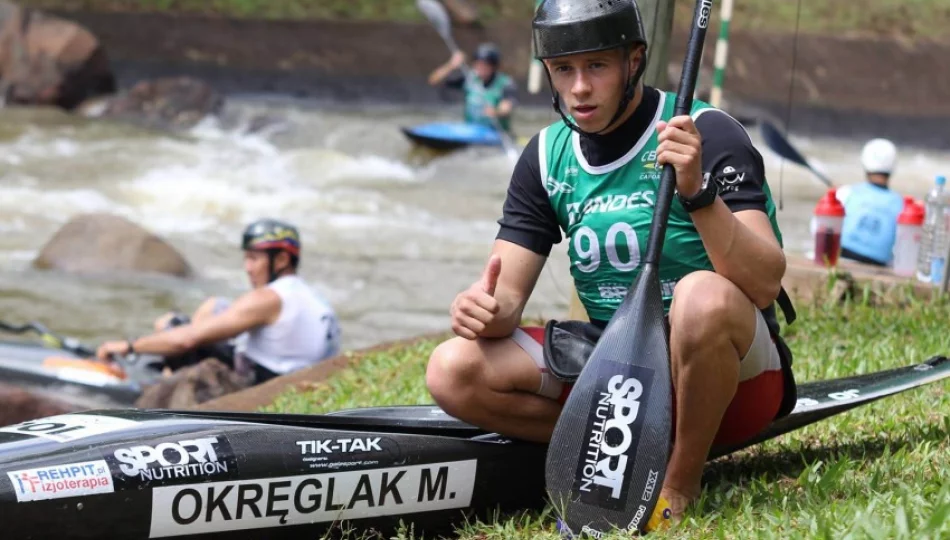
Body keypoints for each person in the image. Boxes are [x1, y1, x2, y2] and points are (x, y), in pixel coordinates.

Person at [424, 0, 798, 525]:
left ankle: (679, 481)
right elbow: (504, 296)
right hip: (622, 372)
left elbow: (763, 284)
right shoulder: (546, 156)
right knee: (452, 369)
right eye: (563, 70)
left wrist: (698, 193)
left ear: (634, 60)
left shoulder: (706, 131)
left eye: (596, 66)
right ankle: (607, 450)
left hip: (738, 378)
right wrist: (481, 309)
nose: (579, 88)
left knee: (699, 295)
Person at [96, 218, 342, 384]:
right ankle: (163, 369)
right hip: (292, 374)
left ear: (280, 261)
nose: (247, 268)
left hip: (265, 382)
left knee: (173, 326)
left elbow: (187, 340)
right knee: (214, 306)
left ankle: (161, 381)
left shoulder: (269, 298)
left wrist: (128, 346)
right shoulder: (313, 297)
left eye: (254, 259)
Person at [837, 138, 905, 266]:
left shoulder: (846, 192)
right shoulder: (901, 204)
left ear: (864, 163)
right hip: (879, 264)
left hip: (843, 256)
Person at [428, 42, 518, 134]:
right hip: (471, 131)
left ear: (494, 66)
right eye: (478, 64)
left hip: (495, 133)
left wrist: (495, 111)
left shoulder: (505, 83)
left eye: (485, 65)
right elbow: (434, 80)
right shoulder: (469, 78)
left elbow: (506, 107)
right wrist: (451, 65)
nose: (480, 68)